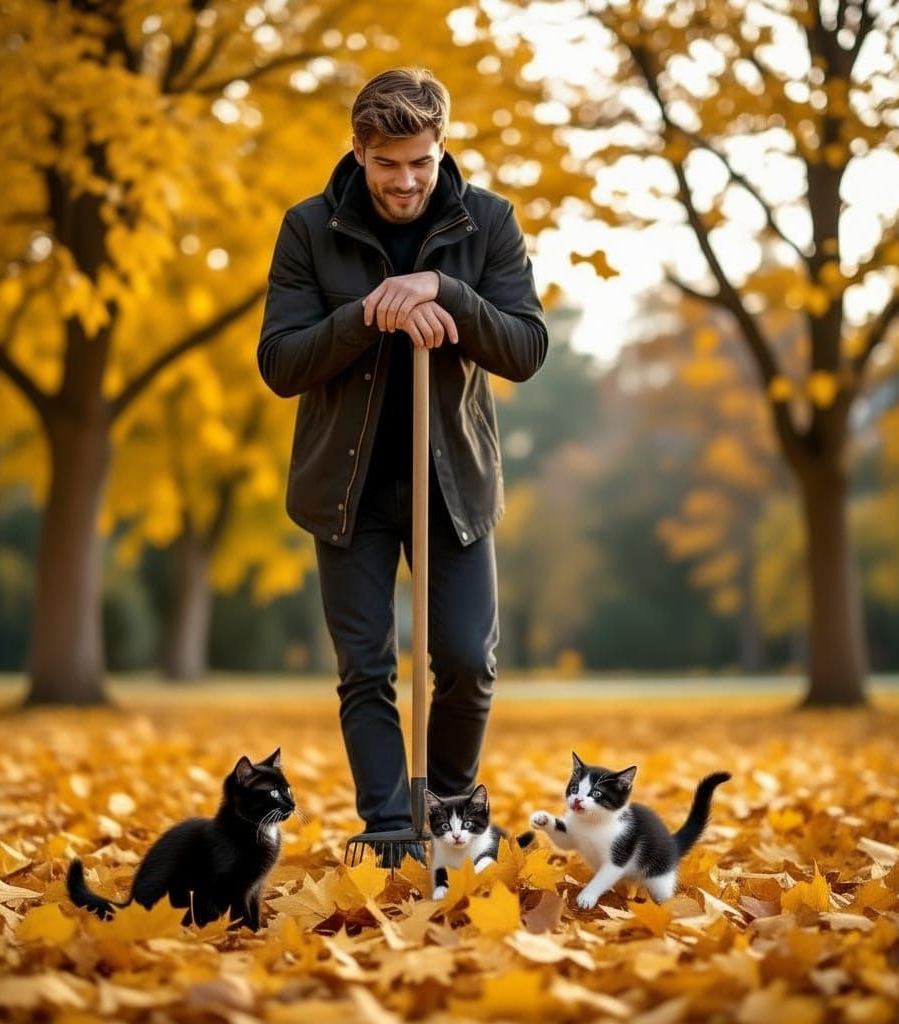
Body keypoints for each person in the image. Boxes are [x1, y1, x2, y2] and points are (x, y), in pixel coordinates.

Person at [257, 67, 547, 862]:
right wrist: (365, 313)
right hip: (344, 488)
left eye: (420, 161)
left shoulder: (487, 222)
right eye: (387, 164)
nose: (407, 181)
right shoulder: (309, 228)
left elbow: (525, 348)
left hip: (452, 482)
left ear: (441, 145)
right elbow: (280, 362)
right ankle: (388, 829)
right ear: (358, 151)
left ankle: (450, 810)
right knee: (366, 668)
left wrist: (445, 291)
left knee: (465, 661)